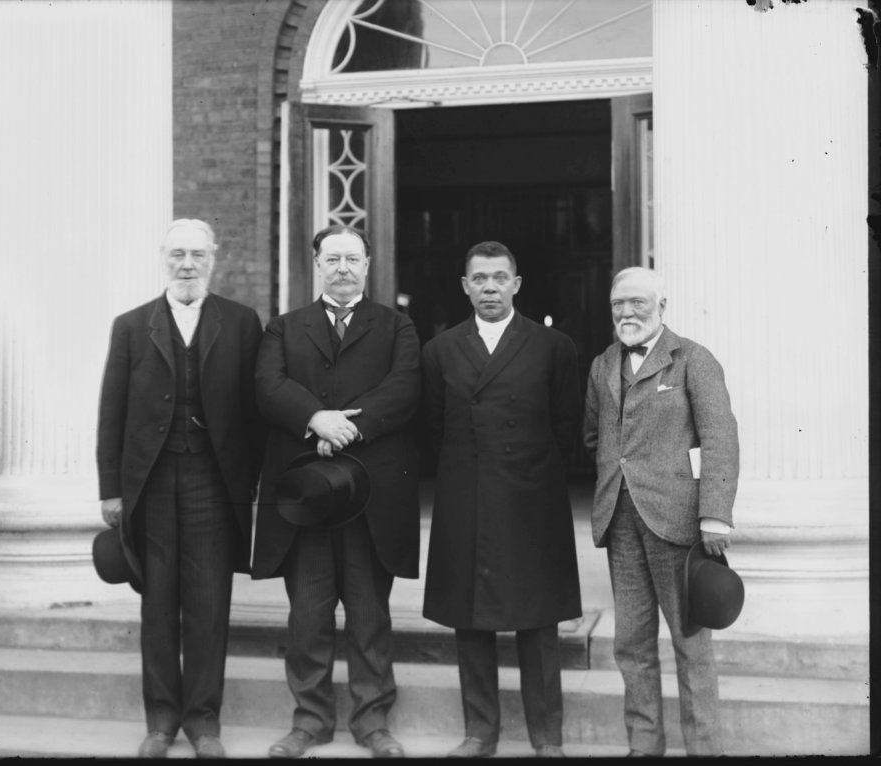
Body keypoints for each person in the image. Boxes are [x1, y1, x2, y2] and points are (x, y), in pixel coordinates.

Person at [96, 218, 265, 759]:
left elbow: (255, 410)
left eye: (197, 254)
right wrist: (110, 489)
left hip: (214, 483)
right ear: (162, 260)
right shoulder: (131, 326)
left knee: (210, 603)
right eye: (177, 255)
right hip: (150, 483)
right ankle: (162, 719)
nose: (187, 264)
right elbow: (111, 410)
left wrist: (250, 482)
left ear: (214, 258)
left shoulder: (241, 323)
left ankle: (204, 722)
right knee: (158, 603)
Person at [253, 225, 420, 759]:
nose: (343, 268)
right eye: (333, 259)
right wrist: (315, 419)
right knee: (308, 615)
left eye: (353, 259)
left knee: (370, 614)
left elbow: (405, 387)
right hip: (306, 496)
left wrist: (349, 427)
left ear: (368, 265)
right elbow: (268, 385)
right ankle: (310, 721)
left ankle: (373, 724)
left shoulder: (398, 327)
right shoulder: (283, 327)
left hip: (371, 496)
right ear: (316, 266)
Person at [420, 240, 582, 759]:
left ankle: (546, 738)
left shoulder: (553, 347)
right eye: (479, 279)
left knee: (539, 622)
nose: (490, 287)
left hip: (533, 501)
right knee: (471, 619)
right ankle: (480, 732)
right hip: (465, 498)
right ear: (465, 286)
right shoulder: (440, 350)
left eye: (499, 277)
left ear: (517, 284)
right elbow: (431, 428)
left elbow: (566, 426)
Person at [582, 266, 739, 757]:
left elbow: (720, 439)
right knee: (630, 644)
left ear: (661, 307)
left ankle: (704, 750)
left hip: (677, 523)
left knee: (691, 646)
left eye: (638, 303)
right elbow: (595, 437)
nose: (627, 313)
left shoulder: (693, 359)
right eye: (618, 305)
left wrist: (713, 513)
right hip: (620, 521)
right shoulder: (602, 364)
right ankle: (644, 746)